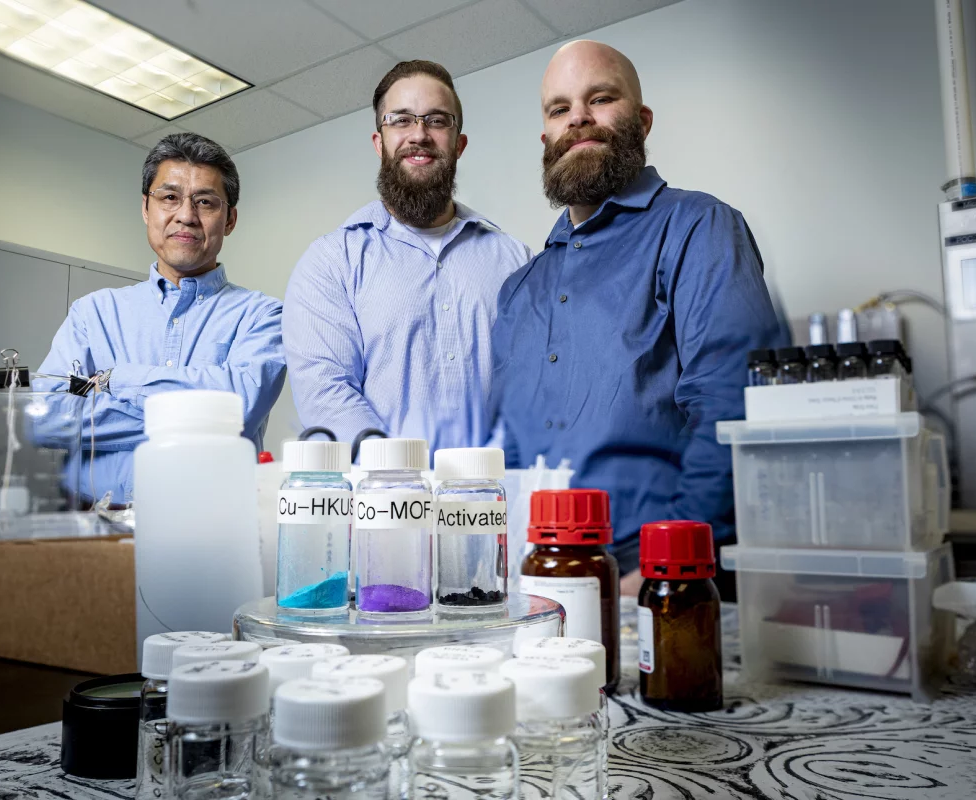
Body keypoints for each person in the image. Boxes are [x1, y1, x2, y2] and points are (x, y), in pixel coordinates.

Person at [488, 41, 782, 592]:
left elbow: (731, 405)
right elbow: (508, 448)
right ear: (547, 138)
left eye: (600, 98)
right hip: (538, 573)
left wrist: (660, 567)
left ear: (642, 121)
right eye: (559, 109)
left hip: (658, 576)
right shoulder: (519, 289)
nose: (578, 117)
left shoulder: (699, 228)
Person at [283, 61, 531, 453]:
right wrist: (399, 479)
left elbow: (533, 386)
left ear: (459, 144)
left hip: (494, 503)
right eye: (400, 120)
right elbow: (326, 392)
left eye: (436, 120)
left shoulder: (515, 260)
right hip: (381, 504)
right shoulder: (332, 262)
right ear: (379, 142)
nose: (419, 134)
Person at [39, 133, 286, 505]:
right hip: (90, 525)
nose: (185, 215)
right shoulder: (92, 314)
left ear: (230, 219)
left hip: (214, 531)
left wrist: (115, 380)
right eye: (169, 197)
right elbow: (47, 414)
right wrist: (199, 413)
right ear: (145, 208)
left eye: (205, 202)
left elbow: (240, 411)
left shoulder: (263, 316)